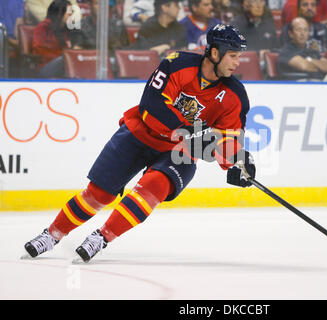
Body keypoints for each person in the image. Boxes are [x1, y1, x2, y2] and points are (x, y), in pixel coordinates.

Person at [23, 24, 256, 263]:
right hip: (140, 133)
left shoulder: (235, 95)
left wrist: (238, 162)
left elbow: (228, 137)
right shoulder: (176, 64)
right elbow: (151, 105)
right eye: (233, 56)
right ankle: (52, 235)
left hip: (178, 152)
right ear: (215, 53)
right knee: (98, 194)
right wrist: (189, 132)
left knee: (153, 187)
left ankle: (101, 237)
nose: (237, 63)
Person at [32, 0, 73, 78]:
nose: (70, 17)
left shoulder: (67, 29)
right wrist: (64, 54)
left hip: (63, 65)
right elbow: (39, 50)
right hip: (46, 66)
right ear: (59, 13)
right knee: (65, 59)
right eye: (69, 14)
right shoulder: (43, 27)